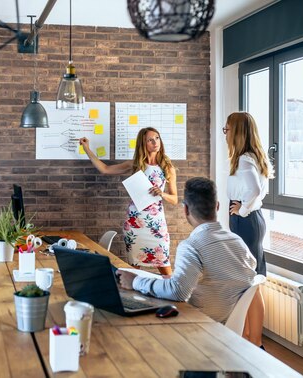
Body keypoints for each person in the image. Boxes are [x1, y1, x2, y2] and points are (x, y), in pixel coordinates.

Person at [116, 177, 257, 324]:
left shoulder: (192, 245)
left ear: (186, 209)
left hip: (195, 326)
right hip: (226, 328)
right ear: (217, 206)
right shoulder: (238, 241)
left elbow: (178, 291)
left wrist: (135, 281)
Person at [79, 127, 177, 275]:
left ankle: (174, 297)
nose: (155, 142)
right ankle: (128, 297)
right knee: (133, 270)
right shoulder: (136, 164)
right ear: (143, 143)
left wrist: (162, 194)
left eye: (157, 138)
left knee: (166, 270)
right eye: (150, 140)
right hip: (134, 222)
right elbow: (105, 169)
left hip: (157, 224)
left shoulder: (167, 167)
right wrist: (87, 148)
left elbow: (175, 199)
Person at [223, 112, 273, 276]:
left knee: (247, 274)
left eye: (227, 129)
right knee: (254, 272)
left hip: (245, 218)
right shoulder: (254, 156)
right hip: (254, 216)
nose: (226, 133)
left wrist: (242, 210)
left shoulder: (244, 159)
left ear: (237, 132)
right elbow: (260, 192)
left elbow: (255, 189)